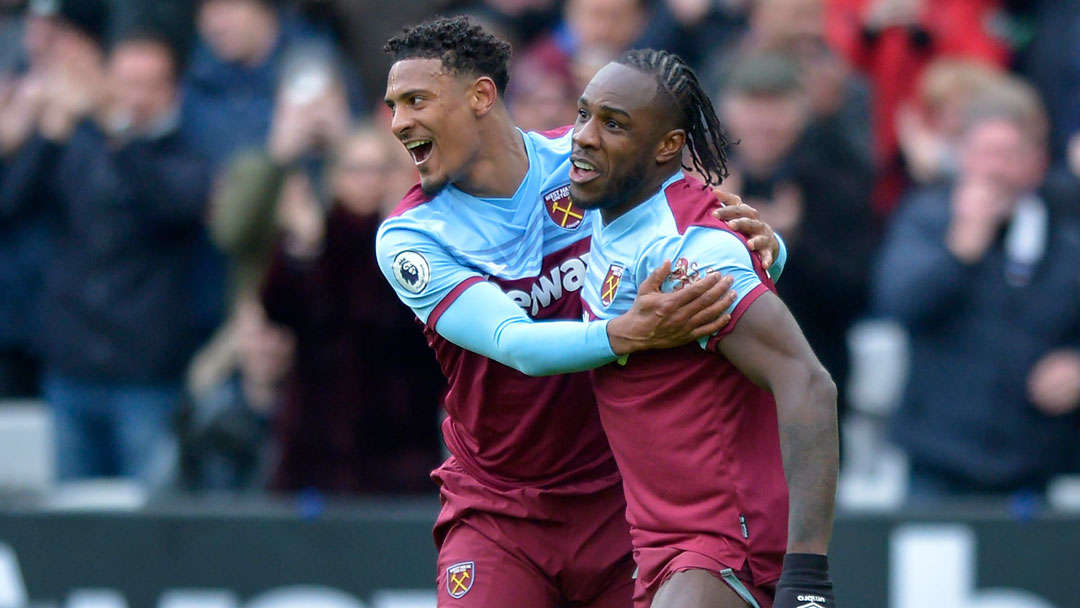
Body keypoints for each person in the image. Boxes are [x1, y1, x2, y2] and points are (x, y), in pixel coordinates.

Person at [376, 17, 783, 607]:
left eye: (416, 100)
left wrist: (768, 248)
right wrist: (624, 333)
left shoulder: (587, 158)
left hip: (627, 498)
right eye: (392, 106)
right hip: (502, 508)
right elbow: (514, 342)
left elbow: (708, 251)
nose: (398, 123)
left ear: (482, 96)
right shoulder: (409, 236)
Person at [573, 50, 838, 607]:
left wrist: (808, 578)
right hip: (660, 544)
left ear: (668, 147)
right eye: (583, 114)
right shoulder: (616, 197)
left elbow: (808, 382)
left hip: (723, 546)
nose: (584, 136)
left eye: (613, 123)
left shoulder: (688, 250)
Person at [0, 23, 213, 483]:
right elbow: (11, 206)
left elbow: (172, 205)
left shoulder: (185, 155)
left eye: (147, 85)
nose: (133, 97)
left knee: (145, 527)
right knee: (74, 526)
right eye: (124, 83)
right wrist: (49, 135)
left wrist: (116, 126)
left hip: (145, 378)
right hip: (70, 370)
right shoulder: (76, 147)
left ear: (172, 92)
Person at [873, 78, 1080, 503]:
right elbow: (899, 305)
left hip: (1035, 464)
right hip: (939, 459)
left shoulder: (1064, 229)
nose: (996, 170)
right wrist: (959, 252)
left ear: (1037, 162)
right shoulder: (927, 217)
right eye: (986, 153)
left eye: (1011, 155)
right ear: (963, 155)